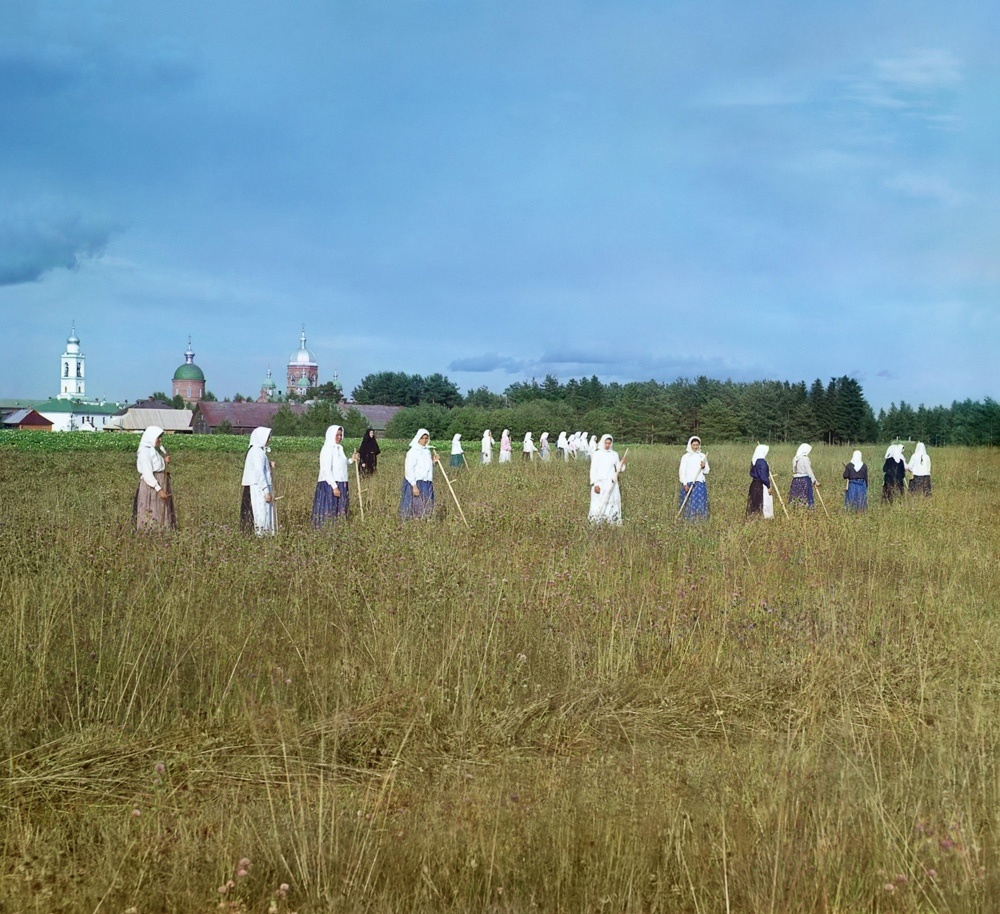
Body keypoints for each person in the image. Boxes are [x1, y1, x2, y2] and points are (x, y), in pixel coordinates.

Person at [312, 424, 357, 525]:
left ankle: (339, 529)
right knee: (329, 509)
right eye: (337, 435)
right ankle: (326, 530)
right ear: (331, 435)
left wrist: (351, 460)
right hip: (330, 484)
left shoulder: (340, 448)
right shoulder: (327, 449)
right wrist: (334, 486)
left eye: (341, 435)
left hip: (341, 482)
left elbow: (342, 463)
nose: (340, 437)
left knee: (340, 510)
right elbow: (326, 470)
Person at [134, 425, 177, 530]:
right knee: (152, 508)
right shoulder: (145, 452)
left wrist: (164, 461)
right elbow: (148, 473)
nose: (160, 440)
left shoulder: (153, 450)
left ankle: (162, 531)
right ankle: (151, 533)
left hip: (159, 483)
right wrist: (159, 489)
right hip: (152, 487)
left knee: (160, 508)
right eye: (158, 437)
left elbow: (156, 465)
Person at [240, 426, 275, 535]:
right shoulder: (256, 452)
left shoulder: (257, 451)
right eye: (267, 437)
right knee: (258, 512)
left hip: (256, 486)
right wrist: (266, 491)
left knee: (254, 512)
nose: (269, 440)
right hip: (257, 488)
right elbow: (259, 472)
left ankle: (256, 533)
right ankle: (260, 534)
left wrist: (268, 465)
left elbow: (258, 467)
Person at [399, 428, 439, 519]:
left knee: (425, 506)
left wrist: (433, 462)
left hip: (426, 483)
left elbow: (426, 468)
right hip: (415, 483)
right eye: (422, 438)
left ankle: (423, 524)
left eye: (426, 438)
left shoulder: (427, 451)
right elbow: (409, 469)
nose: (424, 441)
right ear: (418, 438)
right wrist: (414, 486)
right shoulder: (413, 452)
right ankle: (412, 526)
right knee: (414, 507)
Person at [588, 434, 627, 525]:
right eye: (606, 443)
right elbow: (593, 469)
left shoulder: (614, 454)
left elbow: (619, 469)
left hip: (611, 483)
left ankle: (611, 520)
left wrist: (622, 463)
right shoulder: (597, 454)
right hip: (600, 483)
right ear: (602, 442)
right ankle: (596, 521)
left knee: (611, 500)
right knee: (598, 502)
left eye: (609, 443)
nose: (607, 445)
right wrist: (595, 483)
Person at [678, 435, 709, 520]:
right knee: (689, 502)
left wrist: (704, 466)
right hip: (688, 482)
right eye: (694, 445)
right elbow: (682, 471)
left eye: (697, 445)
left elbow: (707, 471)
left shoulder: (702, 456)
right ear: (690, 445)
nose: (695, 447)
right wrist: (684, 483)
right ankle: (688, 519)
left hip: (699, 483)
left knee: (700, 502)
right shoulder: (686, 457)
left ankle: (700, 519)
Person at [746, 444, 773, 519]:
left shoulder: (754, 460)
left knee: (754, 502)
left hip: (754, 484)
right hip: (760, 485)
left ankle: (753, 518)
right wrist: (768, 486)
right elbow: (763, 477)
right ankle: (761, 518)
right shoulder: (762, 462)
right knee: (761, 502)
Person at [788, 443, 819, 508]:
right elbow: (809, 470)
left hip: (795, 480)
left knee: (796, 496)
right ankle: (808, 510)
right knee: (806, 497)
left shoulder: (795, 458)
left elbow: (794, 470)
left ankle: (796, 510)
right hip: (804, 480)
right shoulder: (805, 458)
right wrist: (814, 481)